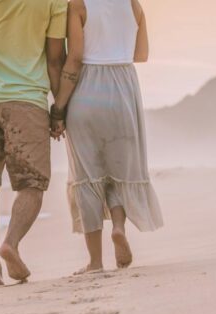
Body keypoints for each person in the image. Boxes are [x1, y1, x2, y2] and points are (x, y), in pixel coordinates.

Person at [50, 0, 163, 274]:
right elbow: (142, 53)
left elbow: (74, 58)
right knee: (117, 171)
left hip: (87, 88)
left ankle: (95, 262)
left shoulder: (77, 5)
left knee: (87, 175)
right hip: (123, 89)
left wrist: (59, 108)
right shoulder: (133, 4)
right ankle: (120, 228)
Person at [0, 0, 67, 286]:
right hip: (26, 102)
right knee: (32, 185)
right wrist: (59, 108)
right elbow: (55, 59)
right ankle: (11, 243)